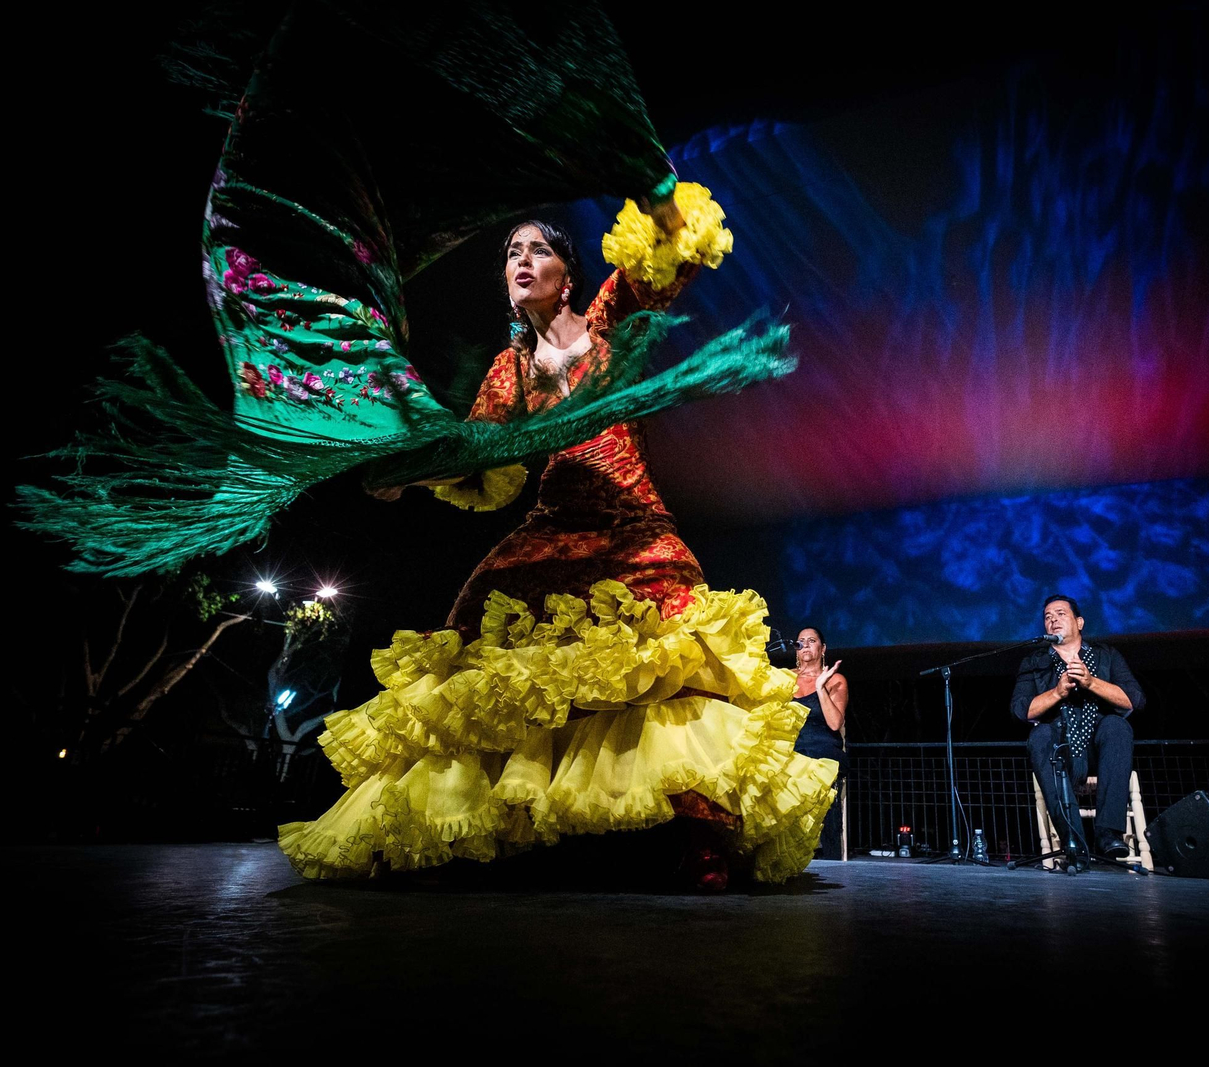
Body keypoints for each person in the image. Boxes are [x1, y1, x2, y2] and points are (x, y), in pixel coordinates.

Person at [277, 185, 839, 889]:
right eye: (511, 251)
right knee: (481, 627)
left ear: (565, 276)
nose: (519, 259)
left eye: (536, 248)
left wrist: (657, 190)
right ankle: (491, 826)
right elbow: (482, 461)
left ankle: (700, 832)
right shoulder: (507, 372)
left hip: (631, 523)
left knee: (670, 650)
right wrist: (406, 476)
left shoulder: (607, 324)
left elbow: (664, 259)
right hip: (554, 523)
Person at [1010, 594, 1145, 859]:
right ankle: (1073, 841)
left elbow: (1135, 700)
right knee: (1039, 735)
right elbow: (1019, 710)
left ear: (1079, 622)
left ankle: (1108, 834)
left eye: (1060, 614)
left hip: (1099, 749)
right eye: (1047, 617)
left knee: (1117, 727)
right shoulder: (1034, 662)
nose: (1053, 620)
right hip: (1061, 749)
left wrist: (1091, 682)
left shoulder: (1106, 655)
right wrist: (1057, 692)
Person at [790, 627, 847, 858]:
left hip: (822, 752)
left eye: (811, 641)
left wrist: (820, 687)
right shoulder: (784, 678)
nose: (805, 645)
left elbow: (835, 723)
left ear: (822, 649)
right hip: (791, 751)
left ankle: (831, 860)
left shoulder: (835, 679)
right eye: (800, 641)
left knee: (825, 794)